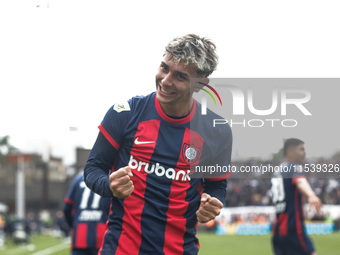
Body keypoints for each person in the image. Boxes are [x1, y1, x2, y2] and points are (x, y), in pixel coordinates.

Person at [84, 34, 232, 255]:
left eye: (180, 76)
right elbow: (93, 168)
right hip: (121, 249)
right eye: (164, 67)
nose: (165, 80)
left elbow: (216, 185)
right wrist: (109, 185)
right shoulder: (124, 114)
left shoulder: (217, 130)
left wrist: (213, 202)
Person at [271, 138, 322, 255]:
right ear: (290, 151)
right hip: (293, 226)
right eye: (301, 149)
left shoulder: (277, 171)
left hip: (278, 229)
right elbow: (300, 181)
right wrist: (311, 194)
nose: (304, 153)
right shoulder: (295, 166)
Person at [64, 172, 111, 255]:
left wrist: (73, 225)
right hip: (102, 237)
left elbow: (67, 208)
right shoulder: (112, 177)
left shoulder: (78, 178)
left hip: (80, 236)